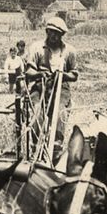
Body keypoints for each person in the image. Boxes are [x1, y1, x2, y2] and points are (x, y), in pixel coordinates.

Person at [24, 17, 78, 165]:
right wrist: (39, 74)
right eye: (52, 33)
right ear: (47, 31)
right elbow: (28, 71)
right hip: (40, 86)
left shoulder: (69, 51)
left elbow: (74, 74)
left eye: (58, 34)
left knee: (60, 114)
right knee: (37, 113)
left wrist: (62, 75)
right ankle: (37, 148)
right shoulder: (36, 48)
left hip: (61, 88)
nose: (55, 37)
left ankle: (55, 150)